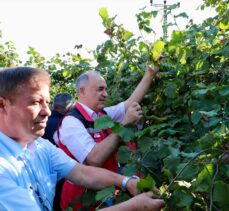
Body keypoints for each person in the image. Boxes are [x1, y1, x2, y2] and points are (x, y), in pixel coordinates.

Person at [0, 66, 165, 211]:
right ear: (2, 105)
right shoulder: (72, 122)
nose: (47, 112)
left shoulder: (40, 147)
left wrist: (126, 182)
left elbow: (83, 173)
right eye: (36, 102)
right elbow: (93, 160)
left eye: (47, 103)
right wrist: (133, 207)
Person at [56, 63, 159, 209]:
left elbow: (130, 103)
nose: (105, 94)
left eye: (105, 89)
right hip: (82, 197)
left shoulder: (103, 115)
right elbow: (94, 159)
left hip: (105, 192)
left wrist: (149, 74)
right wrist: (124, 124)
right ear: (82, 91)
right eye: (100, 89)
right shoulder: (71, 122)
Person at [42, 93, 74, 211]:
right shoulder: (65, 124)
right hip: (62, 174)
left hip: (42, 174)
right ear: (69, 108)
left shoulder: (43, 123)